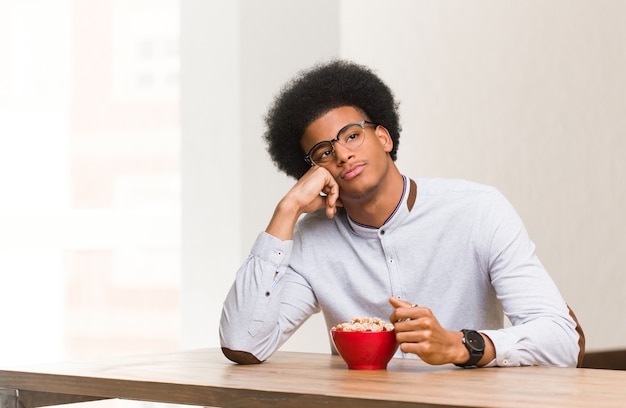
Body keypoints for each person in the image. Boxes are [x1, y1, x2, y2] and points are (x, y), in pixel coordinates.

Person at [219, 59, 585, 367]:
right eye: (324, 152)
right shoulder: (313, 240)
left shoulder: (477, 210)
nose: (342, 154)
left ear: (383, 138)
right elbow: (244, 343)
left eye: (351, 136)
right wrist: (287, 210)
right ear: (315, 172)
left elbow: (563, 340)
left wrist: (461, 346)